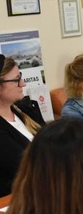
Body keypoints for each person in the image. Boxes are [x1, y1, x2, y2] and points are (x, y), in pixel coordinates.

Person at [0, 55, 44, 196]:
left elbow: (54, 140)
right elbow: (26, 166)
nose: (23, 84)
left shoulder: (25, 109)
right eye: (16, 79)